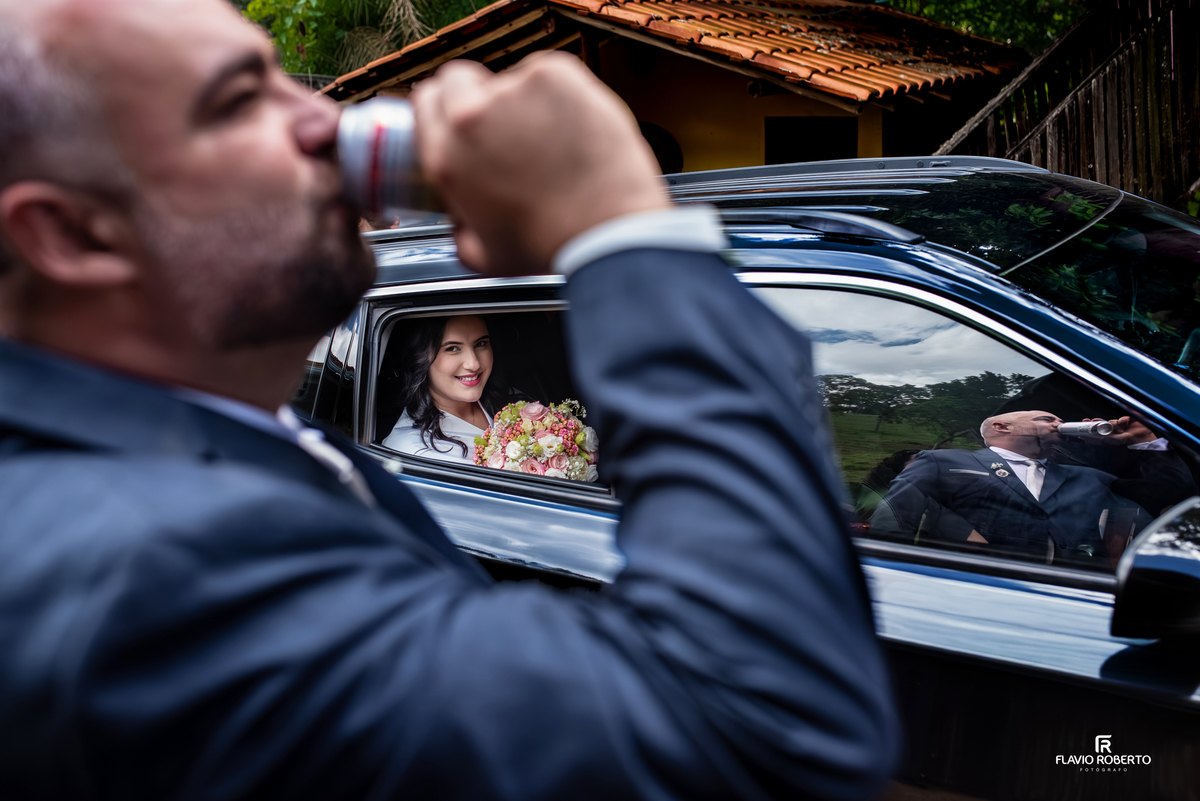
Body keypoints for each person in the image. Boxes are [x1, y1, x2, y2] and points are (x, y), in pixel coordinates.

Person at [0, 1, 898, 798]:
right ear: (75, 234)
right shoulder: (141, 574)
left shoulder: (229, 433)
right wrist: (624, 232)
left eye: (284, 79)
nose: (325, 118)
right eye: (239, 101)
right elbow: (764, 730)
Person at [872, 410, 1151, 563]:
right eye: (1047, 419)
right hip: (978, 588)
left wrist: (1144, 442)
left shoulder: (1089, 477)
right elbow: (895, 515)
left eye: (1061, 421)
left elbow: (1162, 500)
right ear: (1002, 426)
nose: (1059, 424)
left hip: (1075, 592)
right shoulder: (943, 461)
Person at [381, 314, 500, 463]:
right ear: (421, 356)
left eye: (480, 344)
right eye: (453, 348)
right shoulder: (413, 452)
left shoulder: (509, 399)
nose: (474, 364)